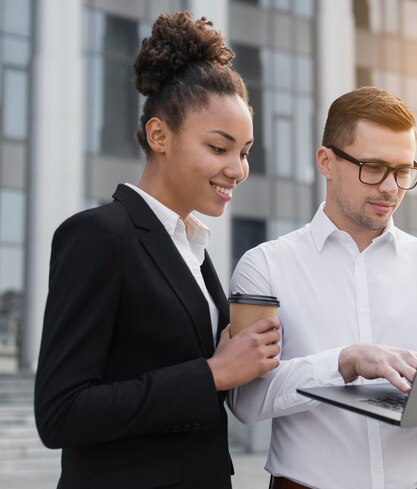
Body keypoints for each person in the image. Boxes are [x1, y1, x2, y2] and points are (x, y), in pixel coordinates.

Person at [229, 86, 417, 489]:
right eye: (373, 167)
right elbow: (246, 403)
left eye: (403, 170)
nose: (390, 187)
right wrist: (345, 361)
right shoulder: (265, 266)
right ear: (326, 162)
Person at [34, 12, 280, 489]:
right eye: (219, 147)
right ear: (159, 135)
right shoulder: (98, 237)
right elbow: (60, 413)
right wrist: (210, 374)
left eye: (245, 151)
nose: (238, 169)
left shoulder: (194, 250)